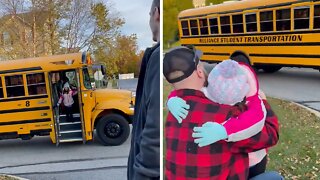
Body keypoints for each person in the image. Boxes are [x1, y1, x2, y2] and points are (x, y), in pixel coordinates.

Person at [163, 46, 281, 179]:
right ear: (199, 72)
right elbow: (271, 135)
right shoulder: (223, 115)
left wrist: (170, 99)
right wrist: (262, 100)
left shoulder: (173, 113)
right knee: (274, 177)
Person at [127, 0, 160, 179]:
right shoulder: (159, 55)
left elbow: (154, 135)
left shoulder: (157, 57)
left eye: (149, 15)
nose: (149, 20)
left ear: (156, 13)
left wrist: (141, 174)